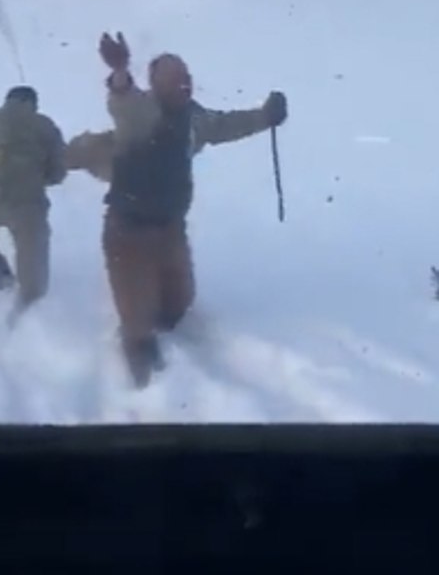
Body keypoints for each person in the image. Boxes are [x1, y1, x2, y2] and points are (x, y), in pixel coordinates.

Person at [67, 33, 288, 388]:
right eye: (174, 80)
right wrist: (121, 72)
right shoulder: (141, 115)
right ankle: (139, 375)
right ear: (155, 85)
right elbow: (123, 100)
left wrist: (265, 117)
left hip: (170, 228)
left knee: (177, 303)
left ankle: (162, 318)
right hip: (129, 233)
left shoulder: (193, 120)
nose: (184, 84)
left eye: (186, 77)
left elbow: (226, 125)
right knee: (137, 319)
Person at [0, 85, 66, 322]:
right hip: (25, 206)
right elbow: (58, 173)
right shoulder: (45, 126)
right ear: (34, 105)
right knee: (34, 272)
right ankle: (27, 314)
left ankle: (1, 275)